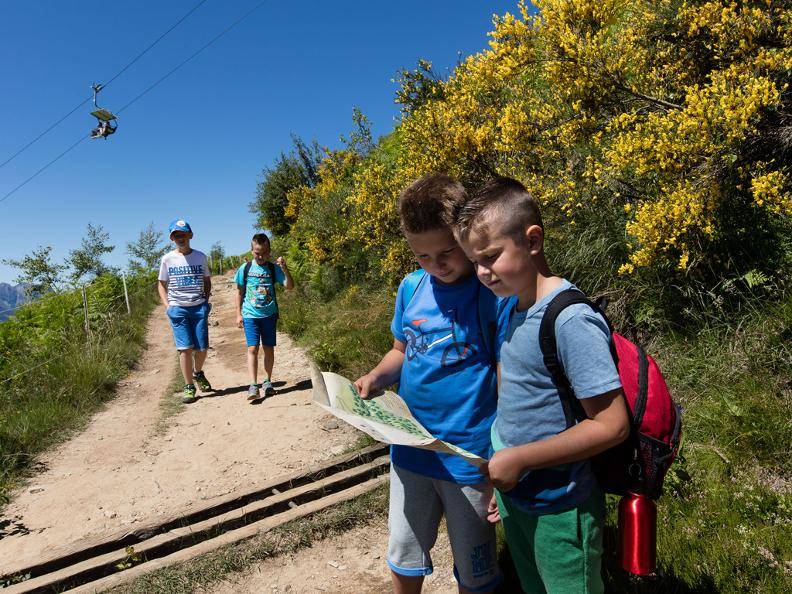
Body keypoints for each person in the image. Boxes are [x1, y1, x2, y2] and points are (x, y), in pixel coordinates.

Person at [452, 177, 630, 594]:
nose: (481, 272)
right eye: (474, 261)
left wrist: (520, 460)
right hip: (519, 497)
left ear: (532, 241)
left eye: (491, 256)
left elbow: (611, 424)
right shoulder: (511, 308)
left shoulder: (569, 319)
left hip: (562, 507)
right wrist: (506, 476)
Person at [354, 173, 504, 594]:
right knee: (404, 552)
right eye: (422, 256)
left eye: (447, 252)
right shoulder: (411, 287)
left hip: (468, 457)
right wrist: (375, 377)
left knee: (476, 566)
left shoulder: (489, 292)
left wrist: (502, 456)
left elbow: (506, 375)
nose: (436, 265)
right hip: (410, 450)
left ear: (467, 236)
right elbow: (401, 350)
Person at [158, 219, 214, 403]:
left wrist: (206, 301)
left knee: (202, 348)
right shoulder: (167, 259)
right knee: (185, 349)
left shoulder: (200, 257)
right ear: (172, 238)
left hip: (198, 308)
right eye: (176, 236)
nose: (180, 238)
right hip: (178, 309)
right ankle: (189, 386)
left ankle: (198, 372)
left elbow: (207, 280)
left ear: (190, 235)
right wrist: (168, 307)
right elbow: (161, 284)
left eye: (182, 234)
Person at [234, 233, 294, 400]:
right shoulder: (244, 269)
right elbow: (239, 292)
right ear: (252, 250)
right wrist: (238, 314)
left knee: (268, 348)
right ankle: (253, 385)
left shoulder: (273, 269)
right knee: (252, 348)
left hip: (269, 315)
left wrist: (284, 268)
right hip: (250, 315)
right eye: (256, 253)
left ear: (269, 251)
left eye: (263, 253)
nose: (260, 256)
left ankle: (267, 381)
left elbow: (289, 286)